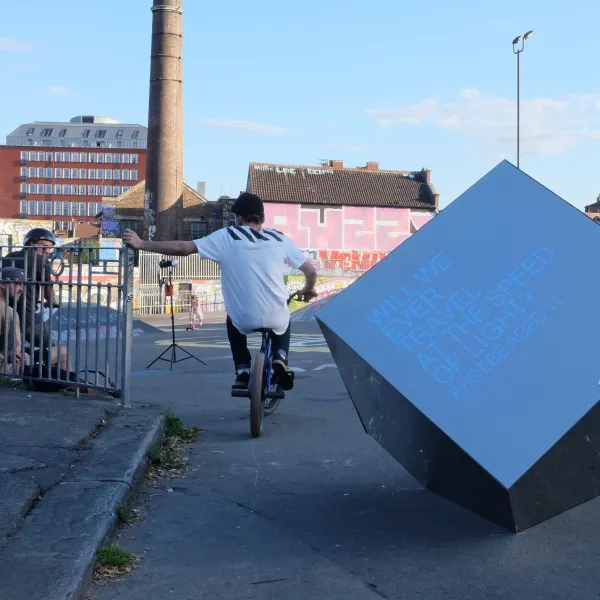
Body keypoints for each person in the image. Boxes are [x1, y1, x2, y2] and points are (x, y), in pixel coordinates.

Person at [123, 192, 318, 391]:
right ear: (262, 217)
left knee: (232, 320)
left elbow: (183, 248)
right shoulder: (280, 239)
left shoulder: (227, 236)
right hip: (275, 316)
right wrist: (307, 289)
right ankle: (280, 356)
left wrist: (141, 244)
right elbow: (311, 271)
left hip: (243, 317)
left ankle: (242, 372)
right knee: (284, 319)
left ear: (239, 217)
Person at [1, 228, 68, 371]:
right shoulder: (41, 261)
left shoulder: (8, 257)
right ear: (31, 244)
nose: (47, 252)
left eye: (49, 249)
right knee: (52, 348)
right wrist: (52, 301)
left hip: (7, 317)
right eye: (44, 247)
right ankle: (57, 379)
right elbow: (49, 294)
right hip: (28, 319)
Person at [0, 267, 29, 374]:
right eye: (18, 284)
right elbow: (15, 353)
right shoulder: (9, 312)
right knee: (62, 352)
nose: (22, 289)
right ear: (2, 284)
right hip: (4, 367)